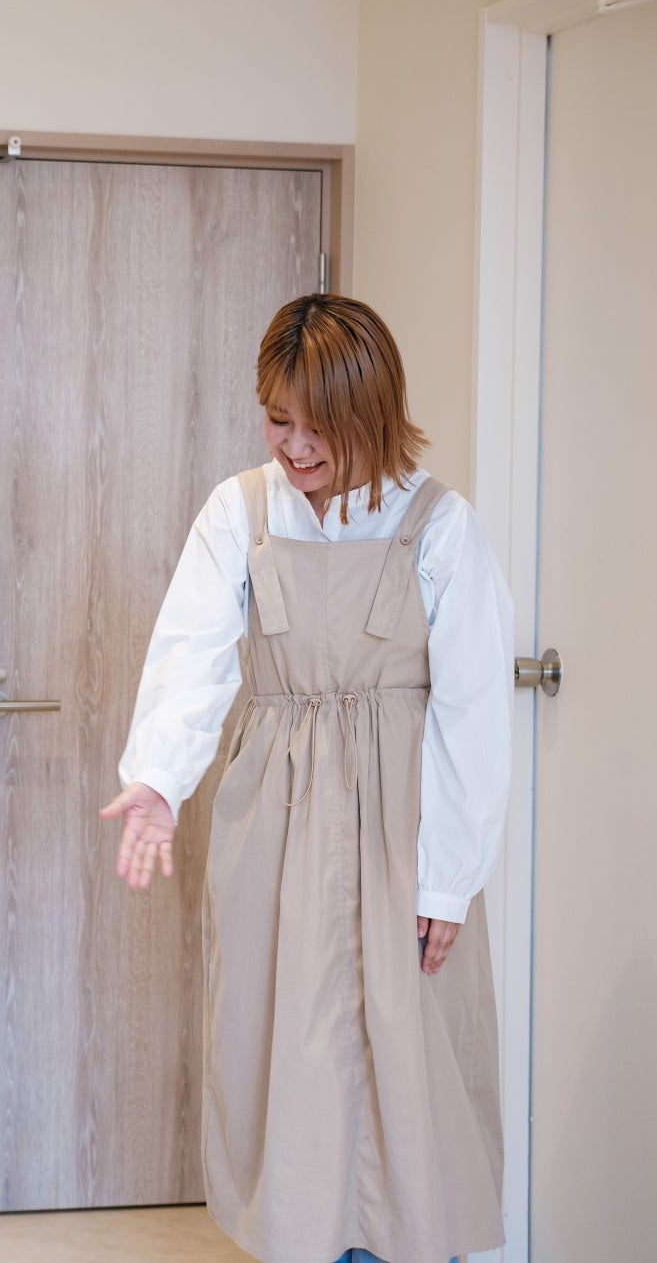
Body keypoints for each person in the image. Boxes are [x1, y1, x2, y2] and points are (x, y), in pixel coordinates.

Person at [103, 295, 511, 1263]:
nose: (294, 446)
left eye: (316, 425)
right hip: (275, 819)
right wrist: (159, 778)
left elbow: (473, 713)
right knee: (282, 1047)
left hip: (405, 828)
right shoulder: (240, 511)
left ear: (372, 412)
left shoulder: (441, 526)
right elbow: (192, 656)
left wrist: (449, 877)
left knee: (410, 1060)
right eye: (277, 419)